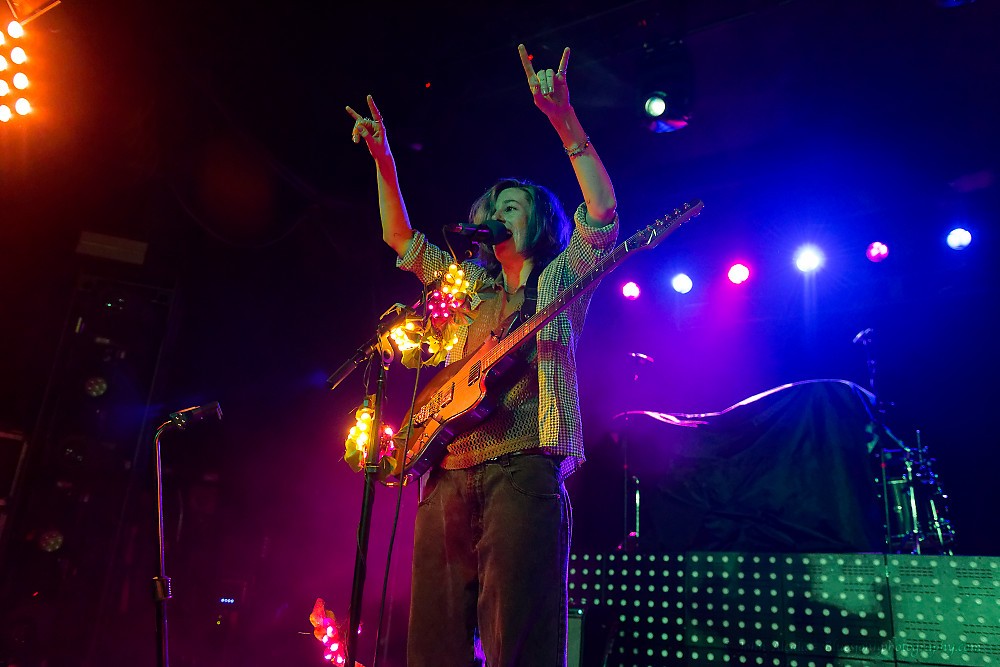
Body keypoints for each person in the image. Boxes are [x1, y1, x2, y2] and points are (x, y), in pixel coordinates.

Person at [347, 43, 618, 667]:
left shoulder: (559, 281)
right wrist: (384, 157)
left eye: (512, 207)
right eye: (492, 208)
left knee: (517, 633)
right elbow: (400, 238)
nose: (499, 215)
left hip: (523, 469)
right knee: (435, 639)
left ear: (538, 222)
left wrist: (563, 120)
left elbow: (602, 217)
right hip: (446, 469)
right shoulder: (469, 287)